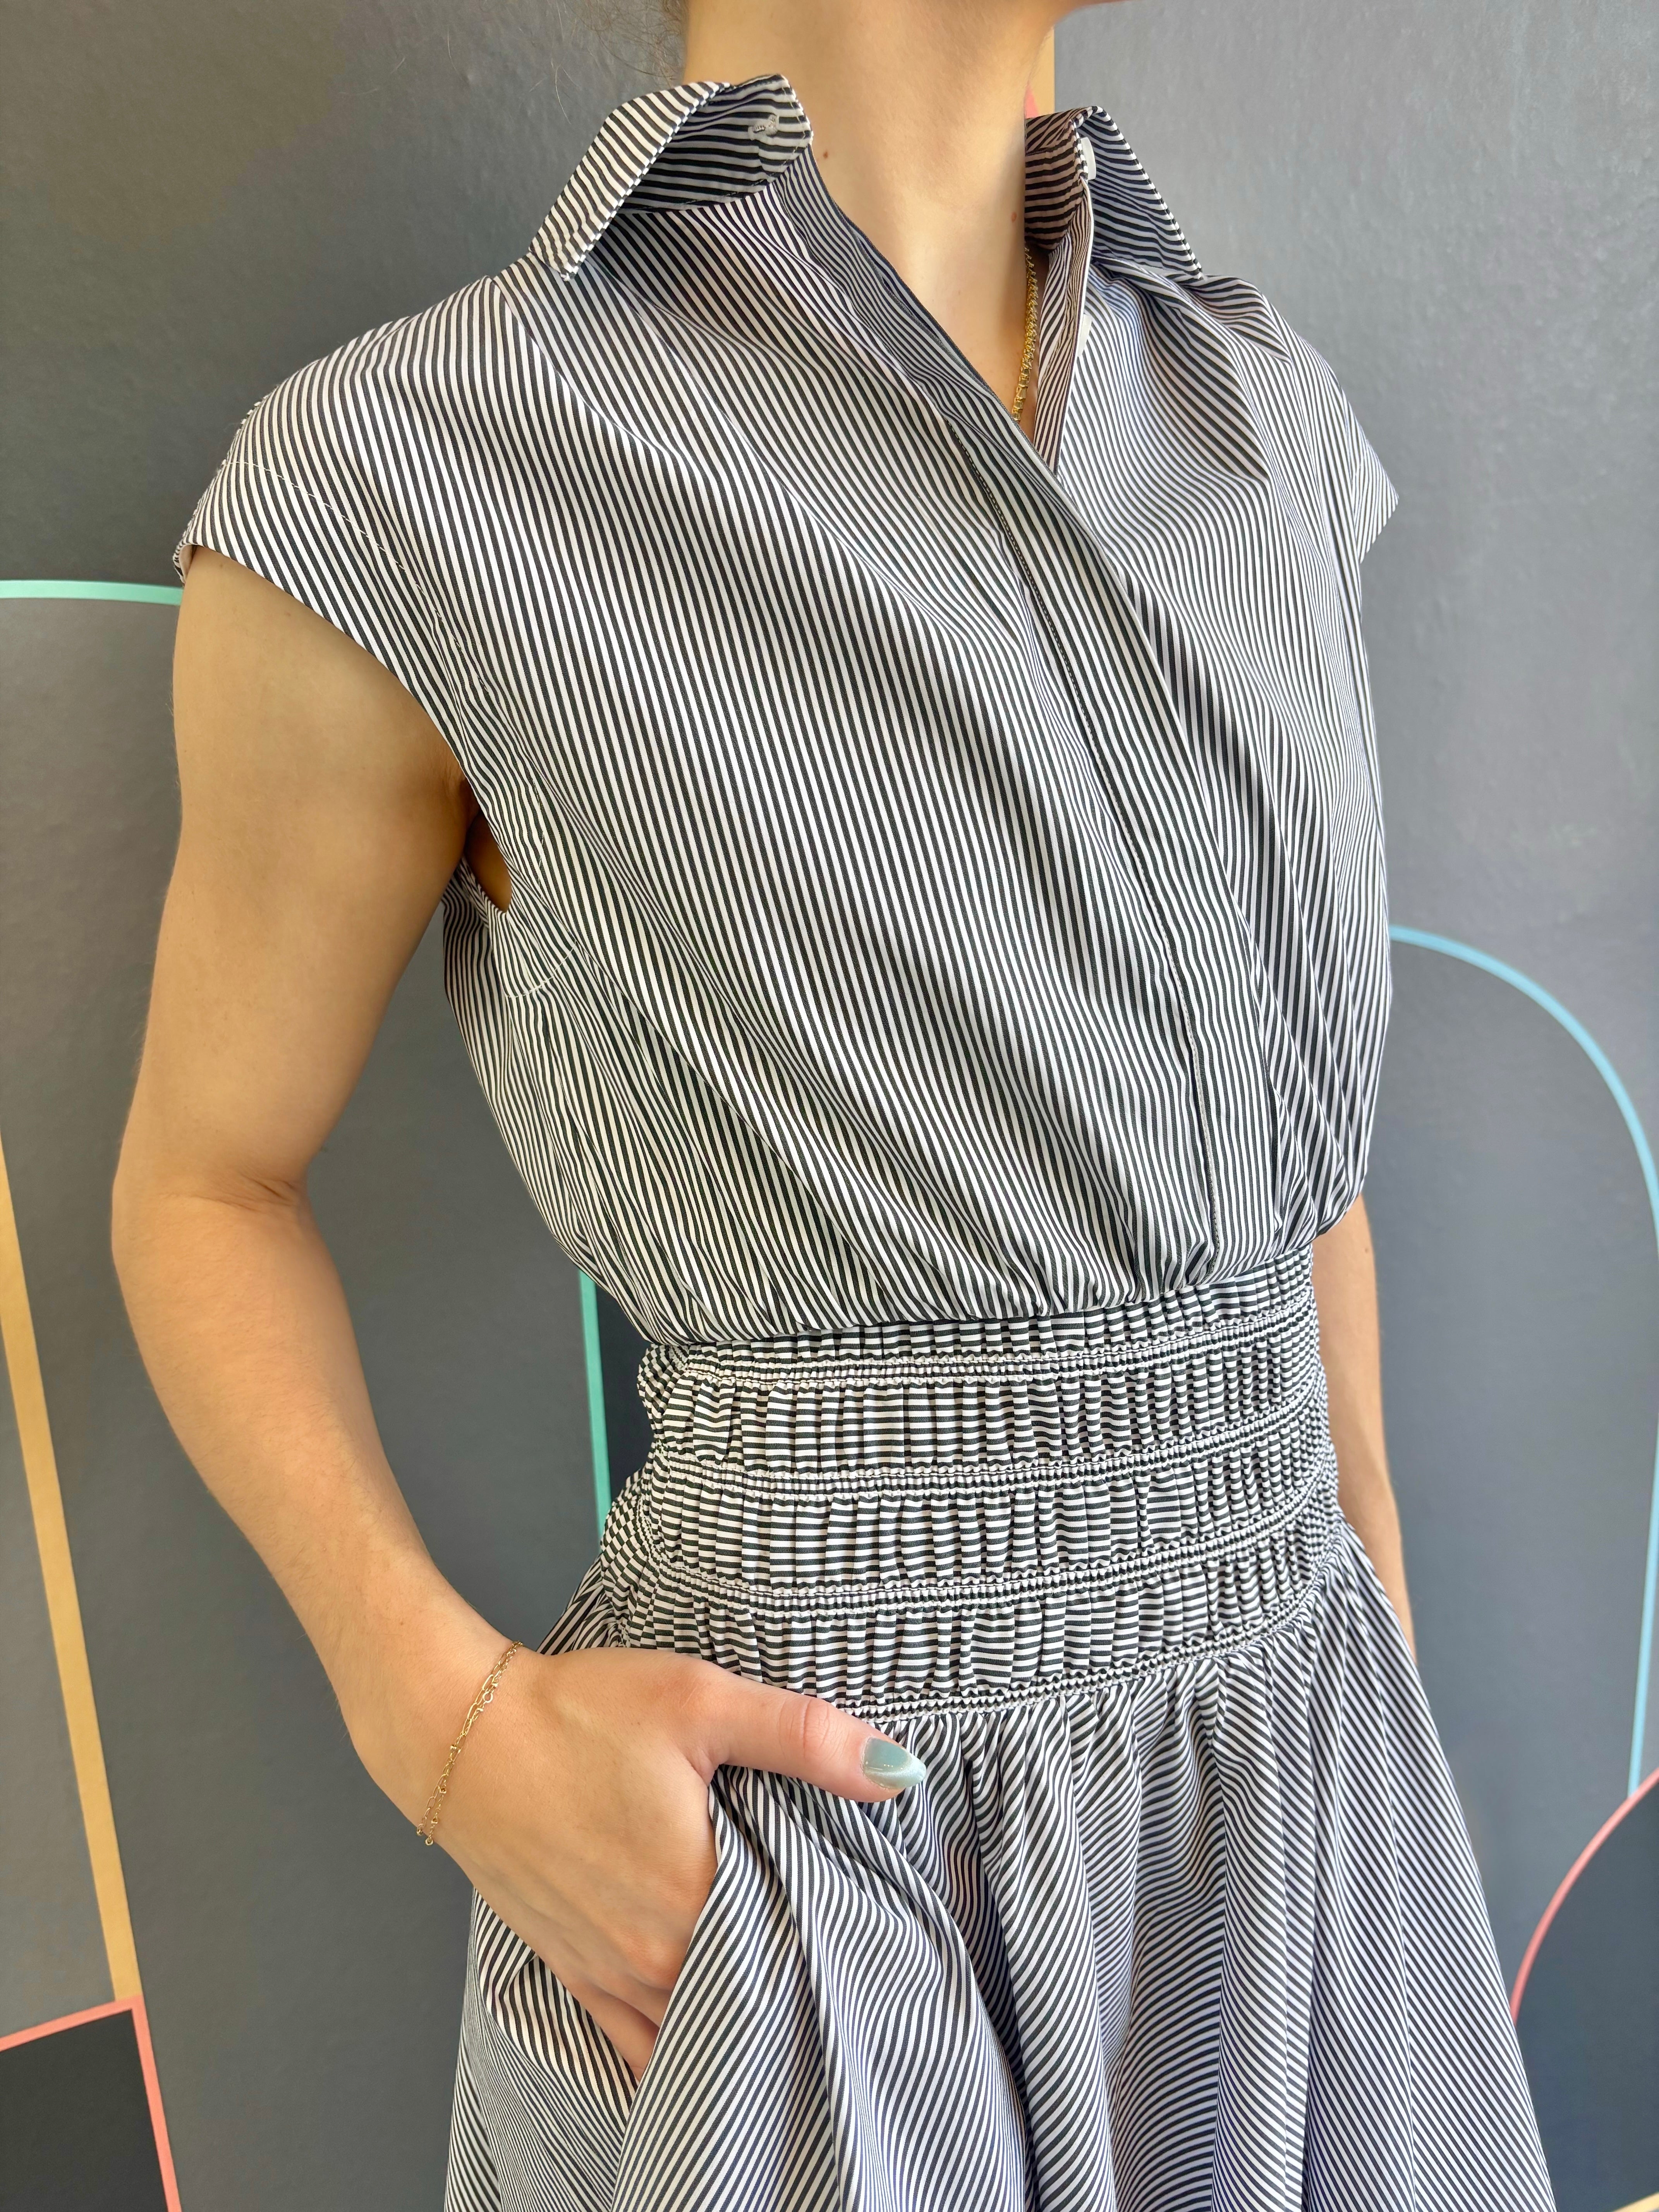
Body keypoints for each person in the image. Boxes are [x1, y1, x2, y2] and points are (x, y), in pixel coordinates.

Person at [112, 1, 1557, 2205]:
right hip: (820, 1844)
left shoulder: (1258, 416)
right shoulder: (414, 470)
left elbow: (1286, 1138)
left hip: (1300, 1780)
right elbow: (204, 1183)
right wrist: (451, 1730)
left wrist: (1369, 1581)